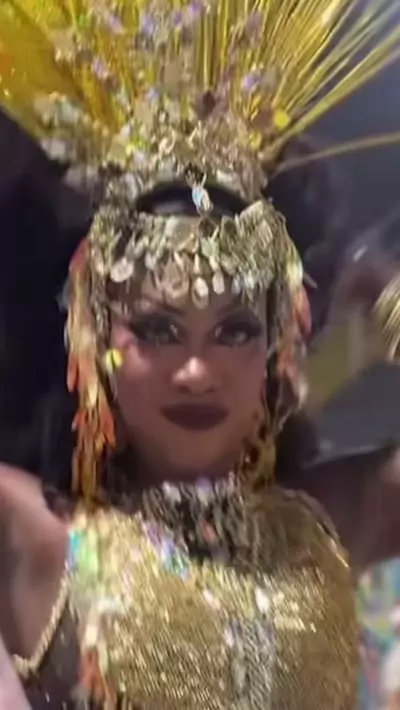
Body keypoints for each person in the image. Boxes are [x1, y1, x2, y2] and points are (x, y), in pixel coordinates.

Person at [0, 1, 400, 708]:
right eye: (158, 330)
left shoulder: (328, 527)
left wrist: (386, 302)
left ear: (278, 345)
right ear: (94, 338)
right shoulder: (37, 539)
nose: (196, 371)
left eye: (235, 330)